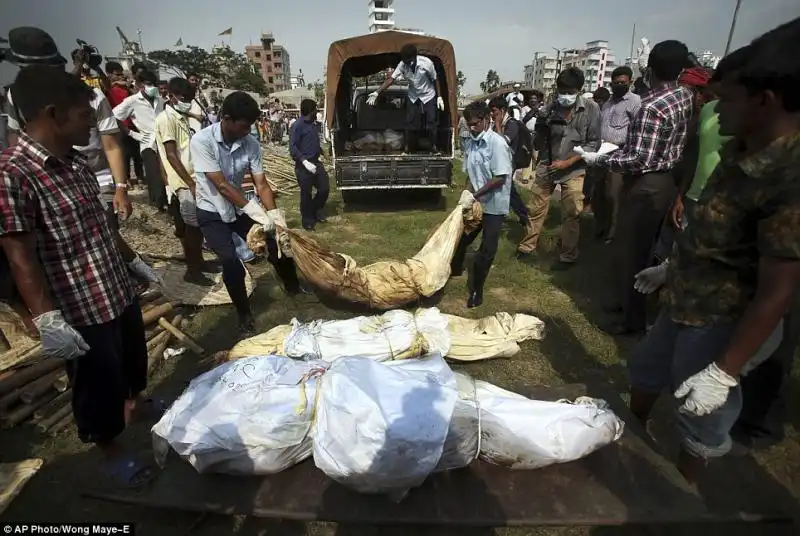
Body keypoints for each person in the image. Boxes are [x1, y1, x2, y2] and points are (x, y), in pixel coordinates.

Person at [623, 17, 800, 485]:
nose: (713, 112)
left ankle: (683, 495)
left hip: (719, 319)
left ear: (765, 101)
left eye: (726, 101)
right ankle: (624, 440)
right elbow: (713, 232)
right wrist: (669, 268)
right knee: (645, 369)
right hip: (685, 295)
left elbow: (777, 293)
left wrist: (725, 370)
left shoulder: (787, 176)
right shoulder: (742, 151)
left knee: (699, 413)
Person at [0, 66, 153, 486]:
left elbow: (101, 223)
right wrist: (46, 317)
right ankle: (110, 448)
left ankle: (136, 403)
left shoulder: (75, 163)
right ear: (53, 114)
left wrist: (132, 259)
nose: (92, 122)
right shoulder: (14, 173)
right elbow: (20, 255)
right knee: (97, 380)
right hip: (79, 303)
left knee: (132, 357)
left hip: (114, 286)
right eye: (84, 114)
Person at [3, 27, 157, 285]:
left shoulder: (91, 98)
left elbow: (110, 144)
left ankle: (115, 282)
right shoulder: (15, 103)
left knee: (100, 235)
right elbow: (14, 137)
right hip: (45, 181)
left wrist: (120, 187)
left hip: (96, 173)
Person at [582, 40, 694, 335]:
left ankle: (630, 318)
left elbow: (638, 157)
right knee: (644, 248)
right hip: (667, 179)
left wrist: (602, 159)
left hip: (646, 183)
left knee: (633, 250)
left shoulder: (651, 107)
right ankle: (627, 305)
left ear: (649, 70)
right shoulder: (684, 96)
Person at [190, 91, 301, 332]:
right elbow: (220, 185)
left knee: (276, 242)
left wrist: (273, 215)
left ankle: (293, 286)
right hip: (212, 211)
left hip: (238, 207)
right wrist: (254, 209)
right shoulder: (202, 141)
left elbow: (261, 183)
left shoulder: (250, 142)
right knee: (231, 262)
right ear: (226, 118)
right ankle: (244, 313)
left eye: (250, 126)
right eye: (243, 126)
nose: (247, 130)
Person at [517, 67, 601, 269]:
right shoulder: (549, 108)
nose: (564, 96)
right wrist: (541, 127)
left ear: (579, 89)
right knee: (536, 208)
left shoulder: (591, 109)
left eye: (569, 92)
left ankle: (568, 255)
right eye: (561, 91)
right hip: (548, 165)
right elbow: (538, 144)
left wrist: (568, 162)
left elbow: (593, 143)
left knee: (571, 213)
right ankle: (527, 247)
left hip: (574, 168)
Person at [450, 101, 513, 308]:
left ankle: (477, 290)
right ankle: (455, 269)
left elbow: (500, 178)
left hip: (493, 204)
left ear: (486, 120)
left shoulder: (497, 144)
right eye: (469, 124)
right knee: (460, 237)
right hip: (476, 202)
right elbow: (471, 172)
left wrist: (475, 194)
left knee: (486, 250)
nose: (472, 128)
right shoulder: (471, 142)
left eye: (476, 123)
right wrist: (466, 195)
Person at [154, 77, 214, 286]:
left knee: (198, 226)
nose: (187, 101)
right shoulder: (166, 119)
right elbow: (171, 155)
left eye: (189, 97)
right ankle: (193, 270)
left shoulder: (180, 116)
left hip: (193, 176)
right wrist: (190, 182)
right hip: (182, 180)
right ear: (171, 96)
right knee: (192, 226)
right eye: (184, 97)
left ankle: (199, 262)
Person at [593, 66, 642, 243]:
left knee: (614, 195)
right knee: (598, 194)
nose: (619, 85)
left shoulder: (635, 102)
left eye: (623, 82)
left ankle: (612, 234)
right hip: (602, 154)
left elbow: (638, 129)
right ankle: (600, 226)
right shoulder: (607, 103)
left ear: (629, 82)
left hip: (620, 153)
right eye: (616, 82)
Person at [367, 44, 445, 154]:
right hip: (413, 96)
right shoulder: (402, 65)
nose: (408, 64)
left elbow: (435, 79)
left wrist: (439, 97)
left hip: (428, 95)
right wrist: (377, 92)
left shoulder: (426, 63)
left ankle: (433, 147)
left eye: (409, 61)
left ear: (415, 57)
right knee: (410, 122)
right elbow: (391, 80)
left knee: (431, 122)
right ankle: (409, 148)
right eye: (406, 61)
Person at [113, 69, 167, 211]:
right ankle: (158, 205)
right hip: (147, 142)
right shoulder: (132, 101)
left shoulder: (160, 101)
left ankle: (168, 202)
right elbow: (115, 117)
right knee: (154, 173)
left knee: (166, 173)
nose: (152, 87)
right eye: (149, 84)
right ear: (139, 84)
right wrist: (131, 133)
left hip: (163, 141)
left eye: (153, 84)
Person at [488, 97, 531, 223]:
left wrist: (496, 124)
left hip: (507, 164)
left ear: (502, 110)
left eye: (494, 111)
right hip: (500, 163)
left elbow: (502, 143)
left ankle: (524, 215)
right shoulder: (500, 124)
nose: (492, 114)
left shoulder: (511, 124)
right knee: (504, 190)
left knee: (509, 191)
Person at [290, 99, 330, 231]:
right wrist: (304, 161)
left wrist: (323, 153)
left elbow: (313, 142)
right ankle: (307, 220)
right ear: (310, 110)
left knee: (324, 188)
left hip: (316, 163)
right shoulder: (297, 126)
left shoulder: (313, 124)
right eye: (315, 110)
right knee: (306, 193)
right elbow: (293, 148)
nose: (317, 112)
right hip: (303, 166)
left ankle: (315, 210)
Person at [105, 61, 144, 188]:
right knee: (124, 154)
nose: (120, 76)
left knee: (137, 153)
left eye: (121, 74)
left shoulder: (127, 87)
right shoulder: (108, 88)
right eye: (117, 74)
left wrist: (128, 86)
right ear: (109, 74)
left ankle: (140, 177)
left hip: (133, 124)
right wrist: (114, 83)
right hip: (119, 125)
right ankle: (125, 179)